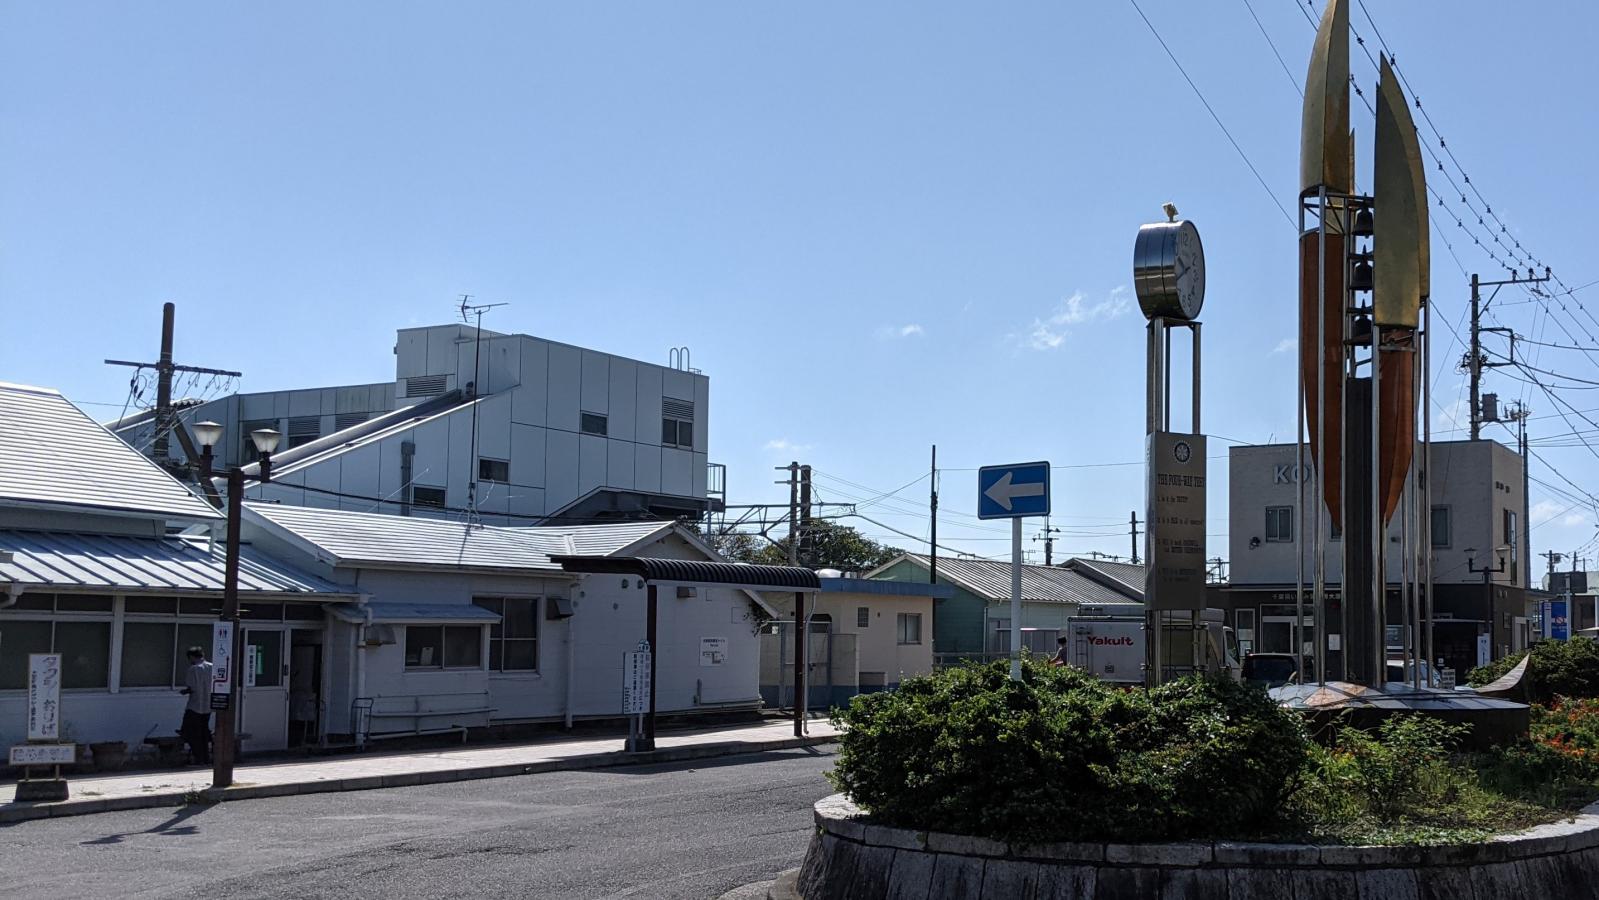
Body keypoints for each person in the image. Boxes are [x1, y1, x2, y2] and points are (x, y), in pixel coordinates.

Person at [179, 647, 214, 765]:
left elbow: (192, 688)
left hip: (195, 705)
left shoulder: (193, 669)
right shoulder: (212, 667)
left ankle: (198, 757)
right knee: (204, 731)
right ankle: (206, 757)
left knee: (189, 732)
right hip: (208, 706)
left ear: (192, 657)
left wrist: (184, 691)